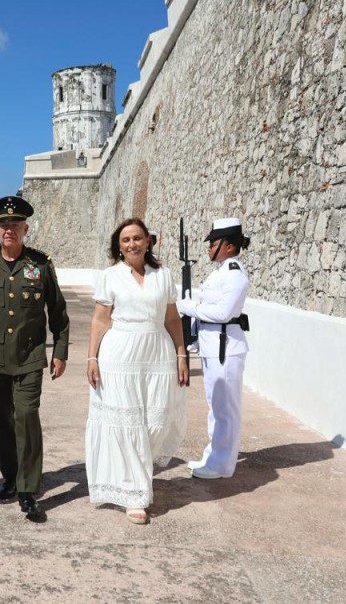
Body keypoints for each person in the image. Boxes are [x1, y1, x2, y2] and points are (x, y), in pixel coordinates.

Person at [0, 195, 70, 523]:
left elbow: (58, 312)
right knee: (1, 419)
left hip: (31, 356)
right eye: (4, 225)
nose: (10, 229)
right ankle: (10, 475)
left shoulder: (41, 265)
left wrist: (60, 351)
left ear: (25, 229)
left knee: (27, 417)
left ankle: (28, 489)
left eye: (15, 224)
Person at [85, 217, 189, 525]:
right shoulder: (110, 276)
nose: (132, 244)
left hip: (158, 352)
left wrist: (181, 354)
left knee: (155, 422)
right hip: (119, 355)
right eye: (125, 240)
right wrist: (92, 358)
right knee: (127, 423)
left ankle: (137, 478)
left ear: (148, 242)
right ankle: (135, 493)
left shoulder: (164, 275)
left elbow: (173, 319)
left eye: (137, 238)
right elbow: (101, 320)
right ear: (119, 247)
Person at [176, 217, 251, 480]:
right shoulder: (219, 273)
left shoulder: (235, 275)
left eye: (214, 243)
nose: (209, 248)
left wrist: (189, 307)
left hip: (226, 348)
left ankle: (222, 464)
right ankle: (214, 454)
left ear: (229, 247)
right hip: (212, 346)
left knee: (226, 408)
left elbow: (222, 312)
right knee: (214, 405)